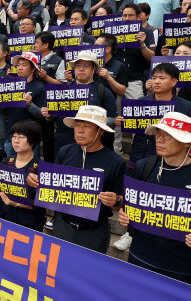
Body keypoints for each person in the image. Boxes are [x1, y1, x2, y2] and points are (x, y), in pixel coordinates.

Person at [119, 112, 191, 288]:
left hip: (181, 269)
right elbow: (132, 204)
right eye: (159, 133)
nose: (160, 139)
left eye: (169, 135)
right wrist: (124, 213)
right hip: (139, 259)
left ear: (188, 142)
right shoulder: (144, 166)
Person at [30, 105, 126, 253]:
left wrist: (115, 201)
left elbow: (121, 202)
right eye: (77, 125)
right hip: (63, 225)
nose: (80, 130)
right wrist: (38, 182)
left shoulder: (115, 162)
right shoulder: (65, 151)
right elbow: (54, 186)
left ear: (100, 130)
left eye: (86, 126)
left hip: (94, 232)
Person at [118, 62, 191, 171]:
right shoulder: (141, 102)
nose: (157, 81)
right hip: (140, 155)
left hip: (171, 160)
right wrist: (123, 122)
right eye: (154, 78)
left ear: (174, 82)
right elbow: (132, 126)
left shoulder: (185, 106)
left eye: (162, 78)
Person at [42, 51, 118, 155]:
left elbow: (113, 119)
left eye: (86, 66)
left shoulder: (103, 91)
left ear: (94, 69)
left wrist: (95, 121)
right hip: (64, 146)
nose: (81, 69)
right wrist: (48, 115)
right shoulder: (62, 91)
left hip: (92, 148)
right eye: (78, 66)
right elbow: (54, 117)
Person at [0, 120, 45, 230]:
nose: (16, 141)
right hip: (4, 218)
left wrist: (16, 203)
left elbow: (41, 204)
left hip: (28, 224)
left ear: (32, 141)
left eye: (21, 137)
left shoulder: (40, 168)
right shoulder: (6, 162)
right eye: (14, 137)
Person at [0, 51, 45, 157]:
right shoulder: (10, 85)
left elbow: (42, 115)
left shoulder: (39, 87)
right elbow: (1, 109)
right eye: (18, 65)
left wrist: (30, 104)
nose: (19, 68)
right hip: (11, 136)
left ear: (33, 69)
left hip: (30, 139)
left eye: (24, 65)